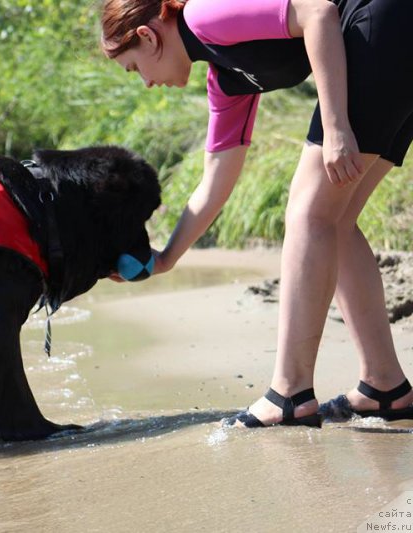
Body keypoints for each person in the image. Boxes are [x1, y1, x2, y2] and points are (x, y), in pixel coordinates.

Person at [101, 0, 413, 427]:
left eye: (134, 69)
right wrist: (167, 257)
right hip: (391, 36)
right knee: (333, 221)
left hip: (386, 22)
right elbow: (215, 181)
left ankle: (289, 392)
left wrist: (336, 124)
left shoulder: (203, 17)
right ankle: (384, 386)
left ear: (148, 36)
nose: (147, 83)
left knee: (308, 215)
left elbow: (317, 12)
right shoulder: (226, 78)